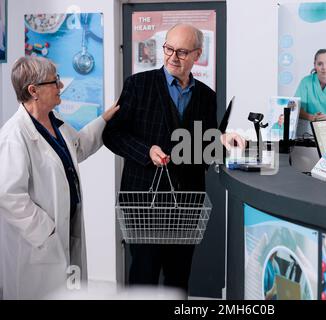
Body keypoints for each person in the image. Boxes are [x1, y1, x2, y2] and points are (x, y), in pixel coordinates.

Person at [102, 24, 244, 293]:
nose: (172, 57)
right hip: (144, 201)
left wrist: (221, 141)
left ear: (197, 55)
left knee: (178, 280)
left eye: (181, 51)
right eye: (168, 49)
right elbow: (113, 134)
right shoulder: (138, 85)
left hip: (186, 202)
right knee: (143, 279)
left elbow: (203, 151)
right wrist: (147, 151)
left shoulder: (206, 96)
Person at [0, 56, 119, 299]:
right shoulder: (14, 136)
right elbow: (8, 195)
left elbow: (79, 147)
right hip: (41, 243)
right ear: (33, 90)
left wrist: (105, 118)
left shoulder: (57, 124)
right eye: (54, 81)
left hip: (67, 231)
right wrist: (46, 230)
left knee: (70, 291)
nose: (60, 86)